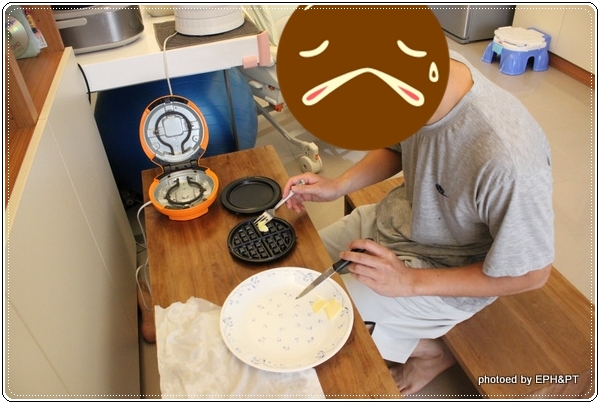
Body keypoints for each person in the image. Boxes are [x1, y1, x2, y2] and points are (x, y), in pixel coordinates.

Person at [282, 50, 554, 395]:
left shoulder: (508, 160)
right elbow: (396, 146)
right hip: (394, 222)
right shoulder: (417, 79)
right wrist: (338, 186)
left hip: (445, 268)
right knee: (292, 266)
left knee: (309, 322)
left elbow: (532, 274)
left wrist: (408, 281)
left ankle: (430, 352)